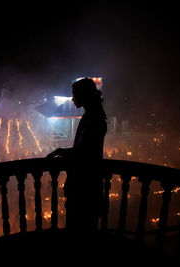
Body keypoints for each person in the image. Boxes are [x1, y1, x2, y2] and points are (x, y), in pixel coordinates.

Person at [46, 78, 107, 231]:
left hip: (84, 186)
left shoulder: (93, 119)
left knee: (79, 228)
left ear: (85, 95)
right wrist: (62, 151)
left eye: (75, 94)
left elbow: (84, 153)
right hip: (87, 184)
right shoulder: (94, 116)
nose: (72, 99)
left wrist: (64, 153)